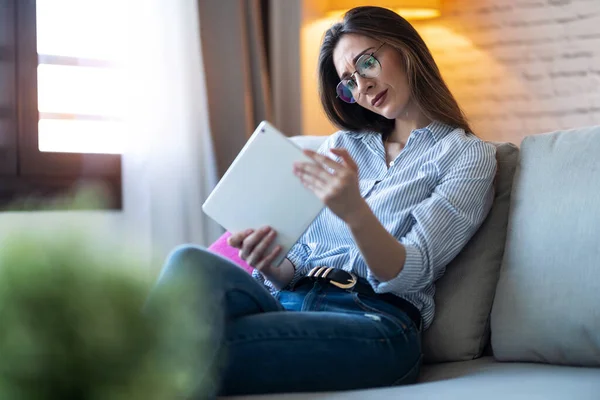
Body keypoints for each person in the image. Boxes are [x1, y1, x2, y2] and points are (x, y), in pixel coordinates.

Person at [152, 5, 497, 398]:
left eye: (367, 63)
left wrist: (354, 211)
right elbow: (296, 260)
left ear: (406, 48)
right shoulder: (341, 146)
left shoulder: (466, 156)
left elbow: (411, 271)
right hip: (289, 301)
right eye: (349, 81)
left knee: (187, 350)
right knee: (188, 262)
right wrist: (271, 262)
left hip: (376, 322)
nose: (362, 87)